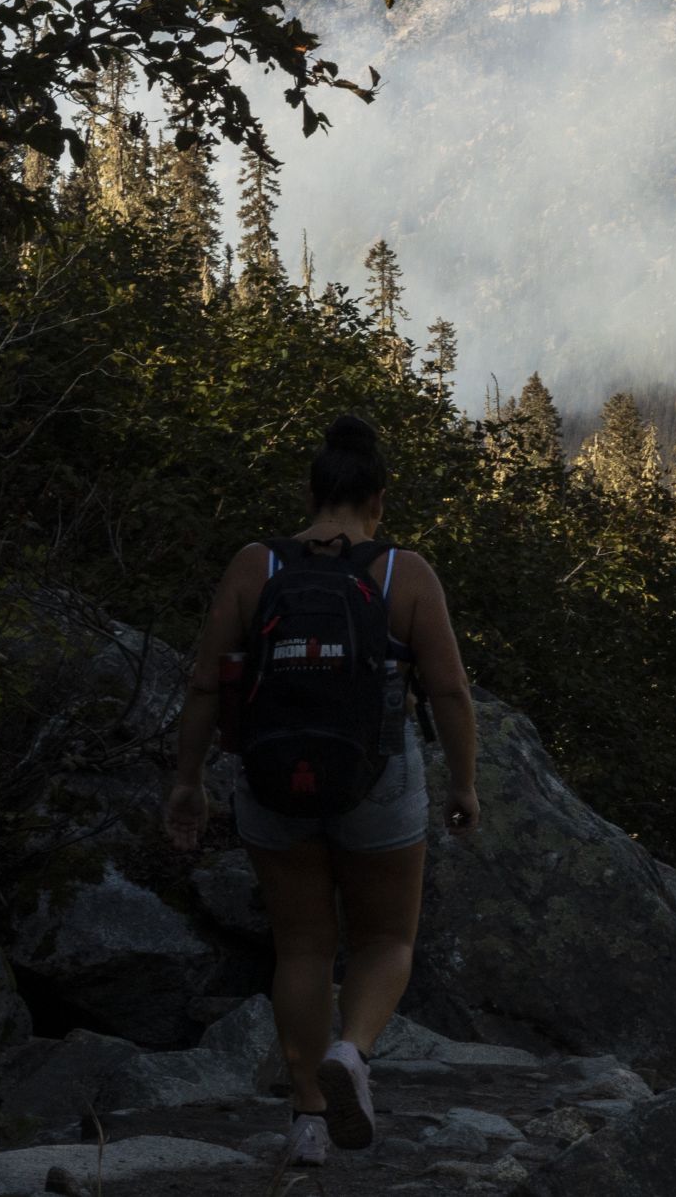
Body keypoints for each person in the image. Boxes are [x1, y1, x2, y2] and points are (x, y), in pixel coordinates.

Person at [164, 414, 480, 1168]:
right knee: (386, 938)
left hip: (273, 779)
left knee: (302, 944)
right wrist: (463, 782)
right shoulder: (405, 573)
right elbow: (449, 691)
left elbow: (209, 680)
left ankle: (308, 1119)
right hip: (377, 777)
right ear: (378, 498)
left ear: (312, 493)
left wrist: (187, 780)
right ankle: (353, 1048)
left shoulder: (256, 566)